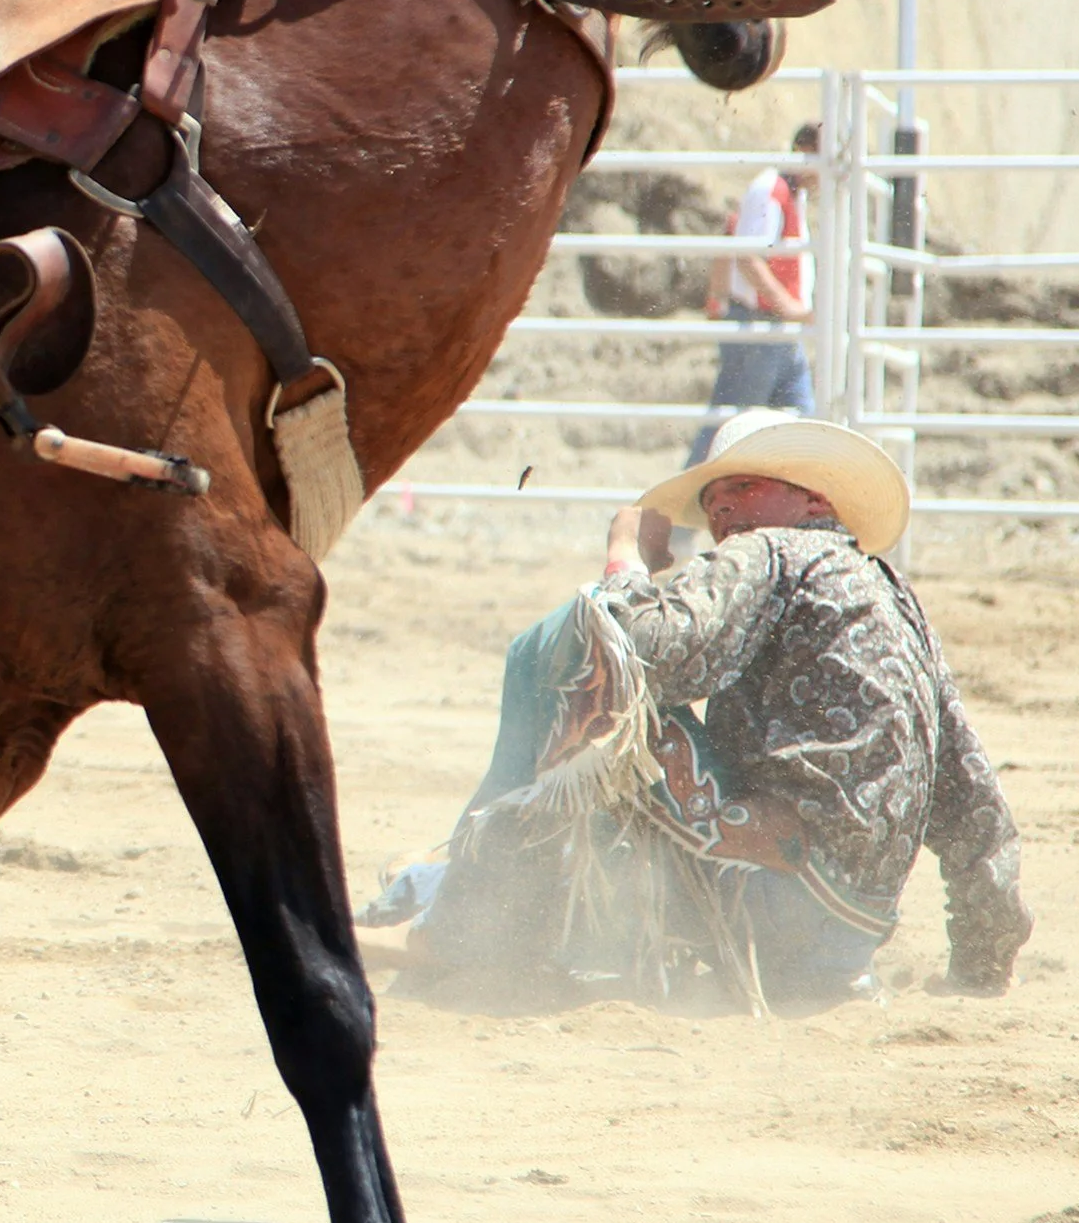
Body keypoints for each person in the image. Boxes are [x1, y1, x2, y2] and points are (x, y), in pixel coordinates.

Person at [364, 409, 1031, 1015]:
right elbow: (976, 806)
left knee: (565, 646)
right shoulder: (897, 601)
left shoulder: (774, 552)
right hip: (843, 941)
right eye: (714, 501)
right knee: (611, 729)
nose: (725, 512)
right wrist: (981, 962)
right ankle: (453, 884)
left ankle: (457, 916)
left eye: (745, 488)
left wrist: (629, 556)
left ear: (813, 500)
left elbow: (632, 648)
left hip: (766, 906)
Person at [688, 122, 820, 462]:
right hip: (760, 326)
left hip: (774, 329)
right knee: (730, 431)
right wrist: (790, 307)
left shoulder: (785, 192)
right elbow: (748, 256)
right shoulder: (771, 190)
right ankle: (683, 512)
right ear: (805, 153)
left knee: (791, 422)